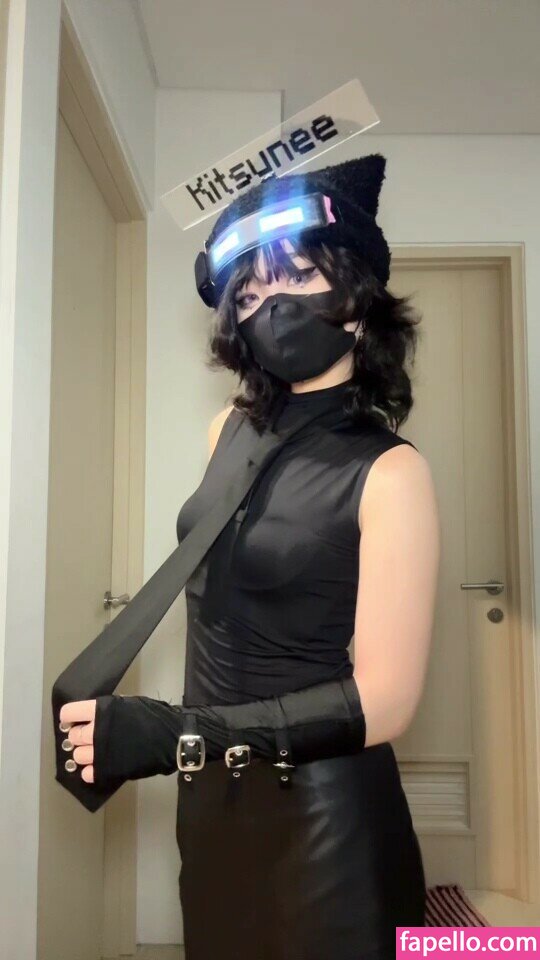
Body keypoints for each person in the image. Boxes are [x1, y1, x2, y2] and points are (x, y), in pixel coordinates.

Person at [59, 154, 440, 959]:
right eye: (250, 293)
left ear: (356, 302)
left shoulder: (391, 472)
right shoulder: (227, 431)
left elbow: (387, 703)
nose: (271, 306)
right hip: (213, 804)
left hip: (325, 820)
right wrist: (191, 745)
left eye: (296, 277)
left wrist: (178, 735)